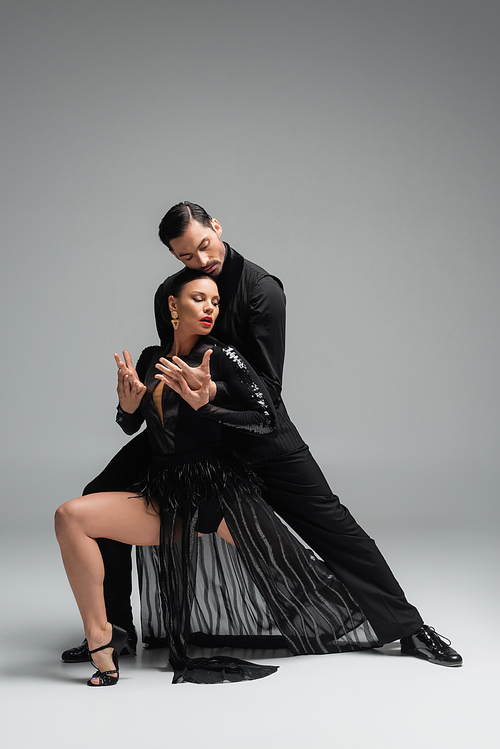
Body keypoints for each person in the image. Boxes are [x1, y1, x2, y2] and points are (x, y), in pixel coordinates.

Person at [61, 201, 461, 668]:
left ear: (216, 226)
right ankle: (117, 630)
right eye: (186, 257)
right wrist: (136, 407)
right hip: (194, 435)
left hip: (257, 432)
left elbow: (268, 389)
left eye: (204, 246)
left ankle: (409, 627)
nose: (201, 261)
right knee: (98, 494)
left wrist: (213, 395)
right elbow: (171, 369)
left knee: (334, 526)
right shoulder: (169, 294)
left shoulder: (261, 290)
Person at [55, 272, 381, 687]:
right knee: (70, 516)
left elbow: (265, 419)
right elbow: (132, 425)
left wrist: (208, 403)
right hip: (164, 493)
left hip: (217, 493)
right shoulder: (151, 356)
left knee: (301, 579)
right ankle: (102, 637)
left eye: (215, 302)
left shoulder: (224, 356)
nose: (210, 308)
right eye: (199, 299)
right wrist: (126, 408)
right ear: (173, 306)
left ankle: (397, 623)